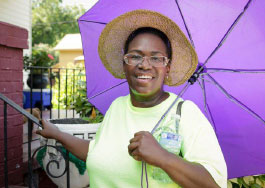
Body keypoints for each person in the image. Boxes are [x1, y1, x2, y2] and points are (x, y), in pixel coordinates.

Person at [37, 10, 227, 188]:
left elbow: (214, 184)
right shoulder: (117, 107)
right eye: (135, 56)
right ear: (124, 64)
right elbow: (96, 153)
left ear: (167, 68)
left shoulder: (185, 113)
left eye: (156, 58)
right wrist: (57, 134)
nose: (144, 65)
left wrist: (163, 157)